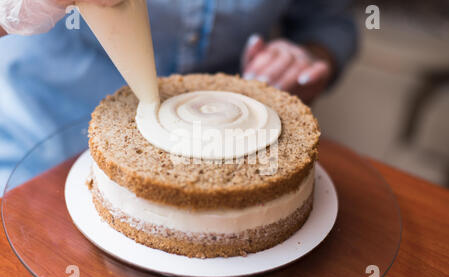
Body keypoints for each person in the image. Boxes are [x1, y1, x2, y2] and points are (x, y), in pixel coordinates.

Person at [0, 0, 357, 191]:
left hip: (229, 157)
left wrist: (307, 60)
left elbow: (328, 22)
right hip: (31, 162)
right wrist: (17, 9)